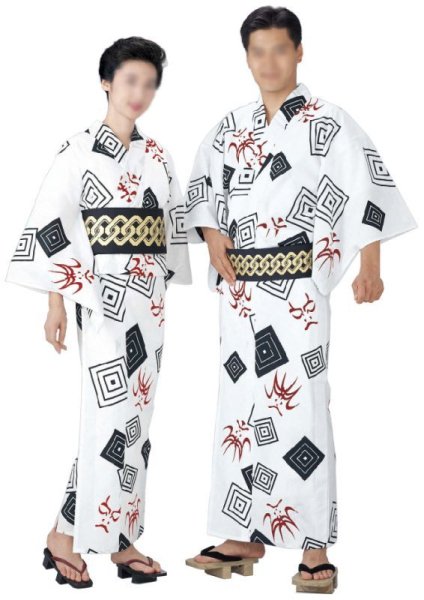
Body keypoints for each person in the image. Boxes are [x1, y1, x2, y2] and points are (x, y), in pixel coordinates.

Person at [182, 5, 418, 593]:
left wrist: (371, 266)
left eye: (280, 50)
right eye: (258, 51)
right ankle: (242, 534)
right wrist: (211, 234)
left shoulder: (329, 123)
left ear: (299, 52)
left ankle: (314, 546)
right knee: (239, 413)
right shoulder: (230, 126)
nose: (269, 62)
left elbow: (367, 189)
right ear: (247, 58)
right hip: (240, 293)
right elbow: (202, 187)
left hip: (297, 293)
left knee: (302, 412)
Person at [5, 36, 192, 588]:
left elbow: (172, 228)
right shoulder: (78, 151)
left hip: (149, 302)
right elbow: (53, 225)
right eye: (130, 80)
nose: (140, 93)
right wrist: (56, 302)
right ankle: (73, 535)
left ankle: (115, 537)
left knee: (138, 421)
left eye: (150, 84)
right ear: (106, 82)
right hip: (101, 300)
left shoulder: (157, 156)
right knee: (107, 418)